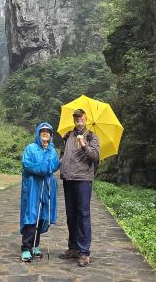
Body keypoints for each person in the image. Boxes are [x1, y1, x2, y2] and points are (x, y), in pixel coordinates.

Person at [59, 108, 99, 267]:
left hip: (83, 179)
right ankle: (73, 247)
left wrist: (84, 145)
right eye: (76, 116)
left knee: (83, 214)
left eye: (80, 116)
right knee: (71, 215)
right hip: (68, 179)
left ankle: (84, 252)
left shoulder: (91, 136)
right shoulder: (68, 135)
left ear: (85, 118)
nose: (78, 119)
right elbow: (63, 154)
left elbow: (95, 156)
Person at [20, 122, 59, 262]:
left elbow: (55, 165)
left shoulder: (52, 150)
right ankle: (26, 247)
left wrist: (48, 166)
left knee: (42, 216)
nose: (45, 133)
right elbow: (26, 164)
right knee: (31, 214)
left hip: (47, 186)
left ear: (51, 135)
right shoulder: (30, 148)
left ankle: (36, 245)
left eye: (48, 132)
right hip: (33, 187)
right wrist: (42, 167)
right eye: (43, 131)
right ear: (38, 133)